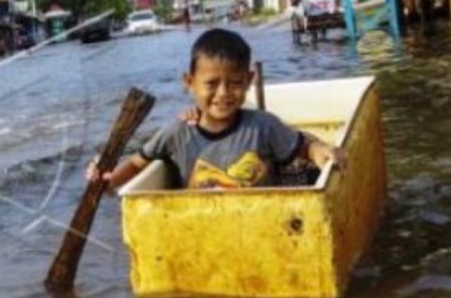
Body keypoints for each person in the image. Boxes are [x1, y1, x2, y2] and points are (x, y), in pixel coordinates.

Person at [88, 28, 346, 192]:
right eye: (211, 84)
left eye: (234, 83)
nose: (223, 93)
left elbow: (303, 147)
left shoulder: (263, 126)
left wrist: (321, 150)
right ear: (189, 83)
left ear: (249, 80)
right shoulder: (177, 133)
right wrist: (106, 179)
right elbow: (135, 164)